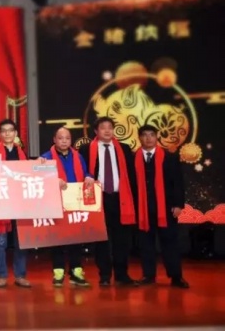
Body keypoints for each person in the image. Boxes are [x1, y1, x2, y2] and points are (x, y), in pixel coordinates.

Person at [78, 117, 138, 287]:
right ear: (96, 131)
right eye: (103, 127)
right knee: (101, 240)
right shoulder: (86, 149)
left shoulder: (124, 149)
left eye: (110, 127)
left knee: (122, 240)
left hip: (121, 199)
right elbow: (80, 171)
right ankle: (104, 275)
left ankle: (121, 275)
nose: (107, 130)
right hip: (99, 198)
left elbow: (132, 176)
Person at [134, 125, 189, 288]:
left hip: (166, 208)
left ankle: (176, 276)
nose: (148, 138)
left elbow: (178, 183)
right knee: (145, 244)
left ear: (157, 136)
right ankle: (148, 275)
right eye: (145, 135)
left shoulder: (169, 157)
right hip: (142, 209)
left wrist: (178, 204)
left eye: (152, 135)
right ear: (139, 138)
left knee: (170, 243)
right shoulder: (133, 158)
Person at [41, 126, 94, 287]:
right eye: (60, 138)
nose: (64, 141)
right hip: (55, 203)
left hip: (74, 202)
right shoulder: (45, 158)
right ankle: (58, 272)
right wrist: (53, 179)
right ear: (54, 140)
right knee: (57, 239)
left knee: (75, 239)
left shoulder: (78, 156)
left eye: (67, 138)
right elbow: (38, 178)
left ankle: (76, 272)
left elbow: (87, 173)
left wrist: (89, 177)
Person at [0, 119, 31, 289]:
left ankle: (20, 275)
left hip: (20, 202)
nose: (7, 133)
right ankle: (1, 275)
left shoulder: (22, 154)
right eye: (4, 131)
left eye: (10, 130)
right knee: (0, 242)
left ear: (15, 133)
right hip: (1, 202)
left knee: (21, 240)